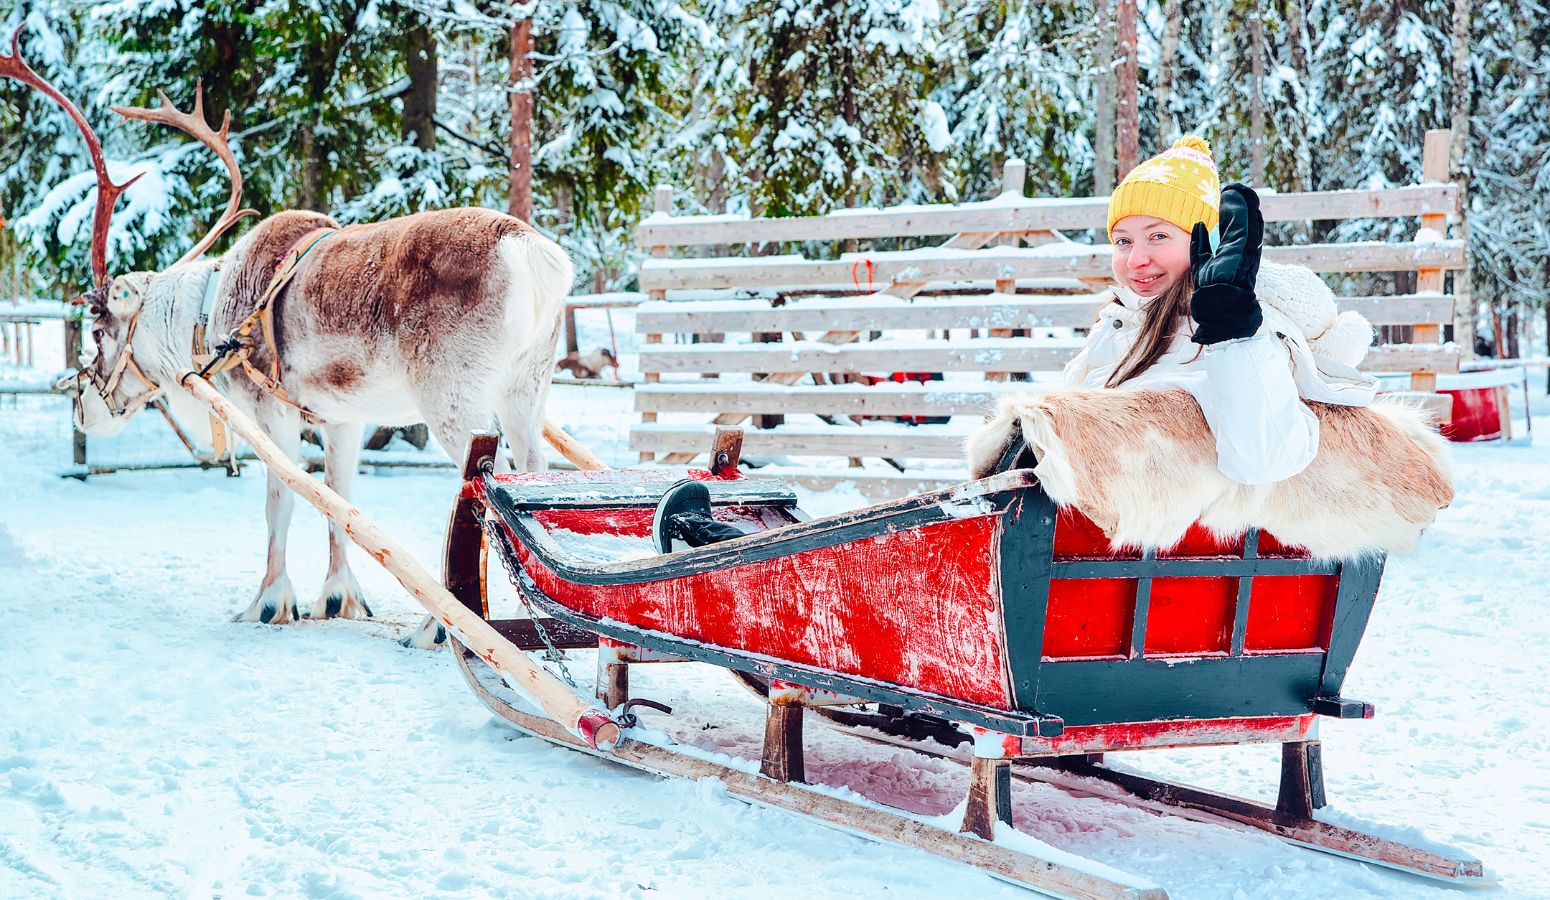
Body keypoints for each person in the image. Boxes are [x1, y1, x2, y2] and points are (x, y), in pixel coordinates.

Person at [1070, 135, 1378, 485]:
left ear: (1209, 244)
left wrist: (1232, 335)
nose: (1136, 260)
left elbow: (1263, 463)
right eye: (1123, 241)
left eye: (1158, 237)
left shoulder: (1239, 330)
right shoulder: (1119, 322)